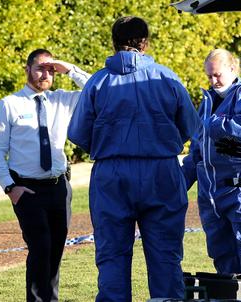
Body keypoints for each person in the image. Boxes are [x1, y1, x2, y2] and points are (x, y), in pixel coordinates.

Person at [67, 16, 201, 301]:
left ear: (114, 44)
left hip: (112, 173)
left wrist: (109, 145)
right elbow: (191, 126)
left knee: (112, 257)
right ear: (145, 42)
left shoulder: (97, 82)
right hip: (161, 169)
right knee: (165, 257)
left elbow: (78, 134)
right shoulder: (167, 77)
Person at [0, 49, 91, 302]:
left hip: (59, 188)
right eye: (40, 68)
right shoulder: (9, 104)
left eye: (50, 70)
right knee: (40, 247)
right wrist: (10, 188)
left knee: (55, 251)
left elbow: (97, 91)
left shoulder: (62, 100)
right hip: (26, 189)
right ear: (27, 70)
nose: (45, 74)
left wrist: (70, 68)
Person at [181, 48, 241, 294]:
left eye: (217, 75)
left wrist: (213, 124)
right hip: (211, 198)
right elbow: (197, 151)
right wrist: (179, 182)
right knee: (223, 261)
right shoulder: (207, 102)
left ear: (232, 69)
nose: (213, 81)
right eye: (209, 76)